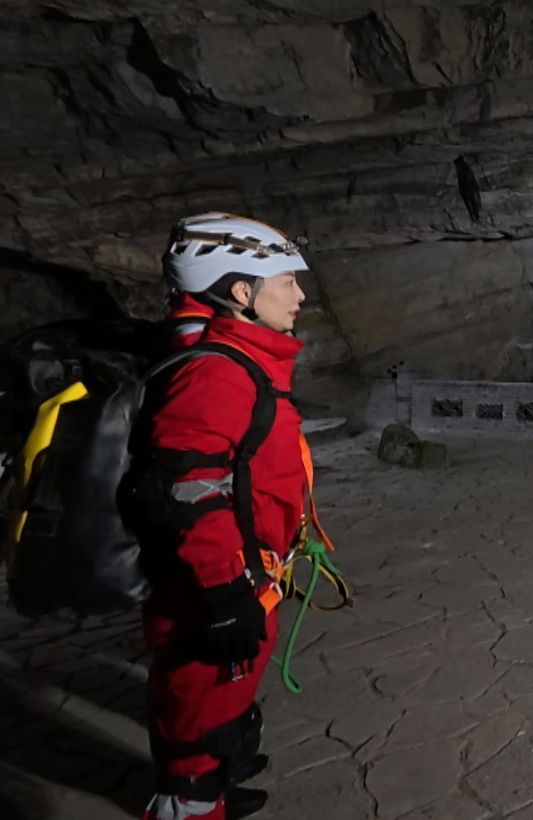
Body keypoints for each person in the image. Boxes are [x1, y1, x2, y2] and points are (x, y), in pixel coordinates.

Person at [143, 212, 313, 820]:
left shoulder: (247, 362)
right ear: (242, 292)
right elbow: (192, 490)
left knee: (219, 721)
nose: (300, 295)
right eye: (287, 282)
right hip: (214, 593)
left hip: (247, 578)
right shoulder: (216, 373)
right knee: (195, 744)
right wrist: (224, 593)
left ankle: (216, 782)